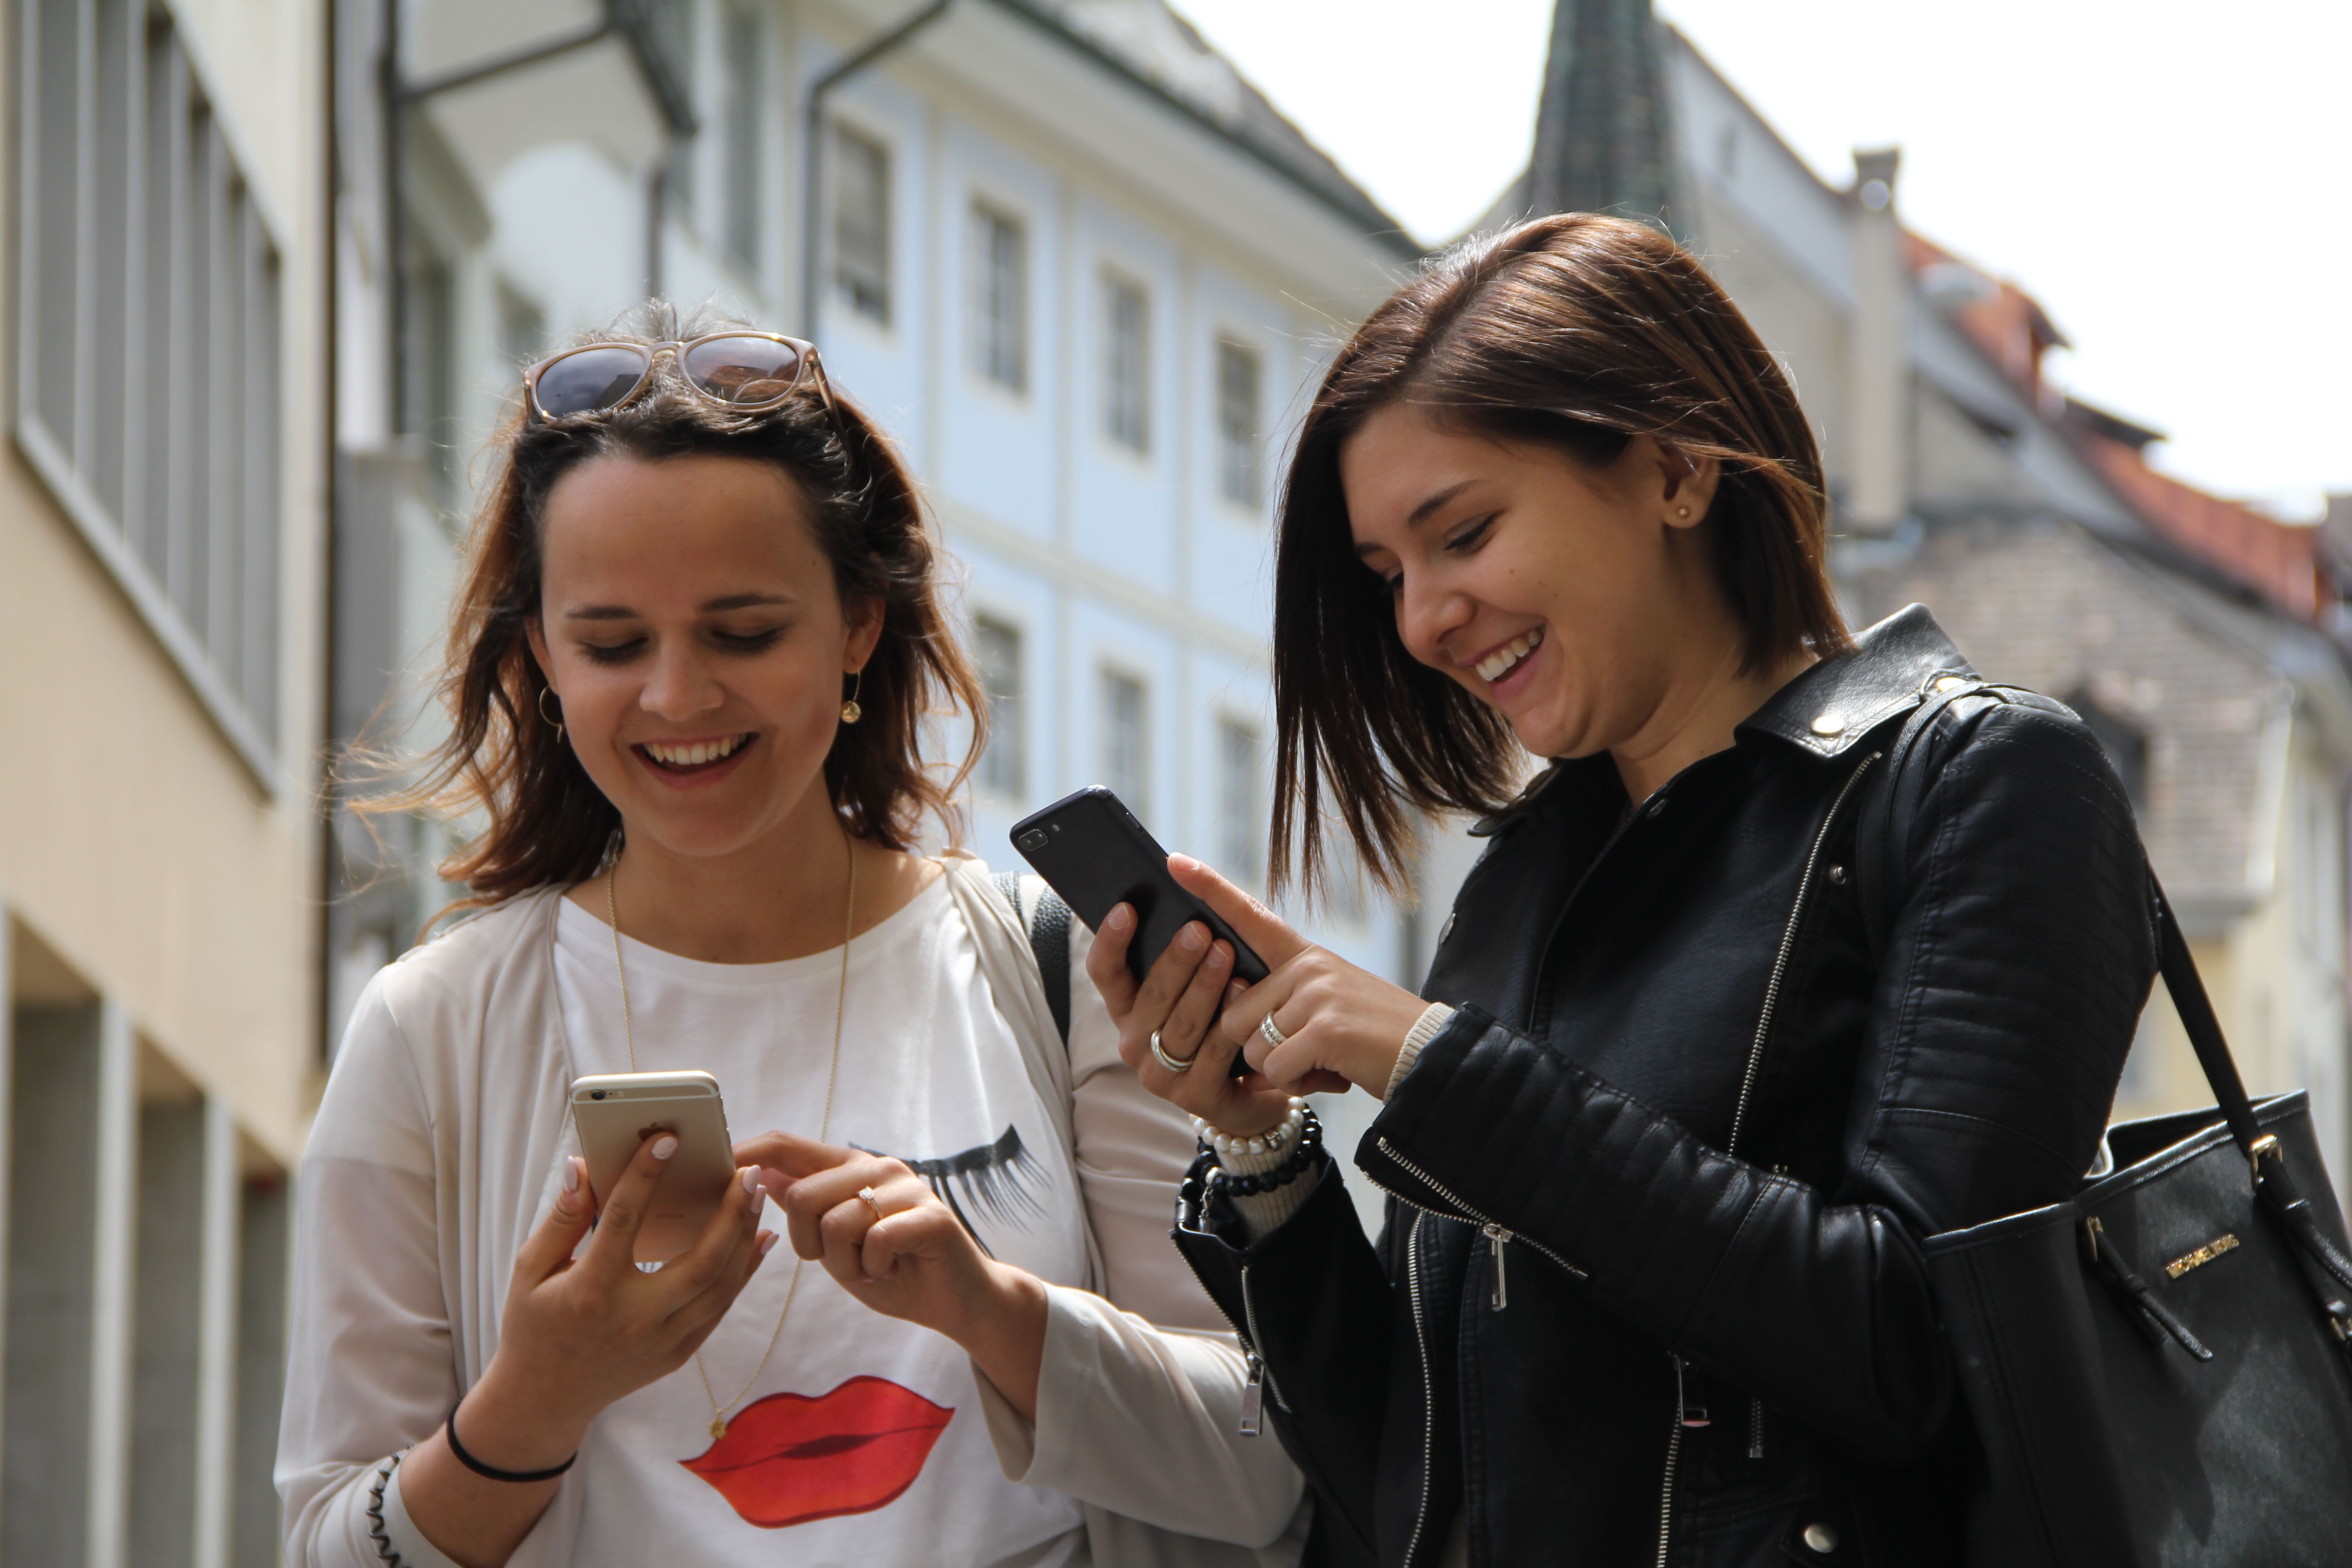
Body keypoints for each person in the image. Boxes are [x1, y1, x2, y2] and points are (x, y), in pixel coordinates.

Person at [1093, 215, 2158, 1567]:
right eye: (1388, 577)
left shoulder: (1981, 783)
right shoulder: (1517, 890)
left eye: (1463, 532)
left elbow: (1916, 1347)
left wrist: (1433, 1066)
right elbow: (1404, 1492)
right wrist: (1262, 1157)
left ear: (1673, 466)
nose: (1422, 620)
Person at [278, 312, 1304, 1568]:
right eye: (611, 643)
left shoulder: (1061, 973)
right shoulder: (431, 1027)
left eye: (744, 632)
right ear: (542, 654)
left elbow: (1266, 1470)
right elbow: (329, 1541)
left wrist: (994, 1312)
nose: (676, 696)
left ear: (860, 623)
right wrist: (533, 1401)